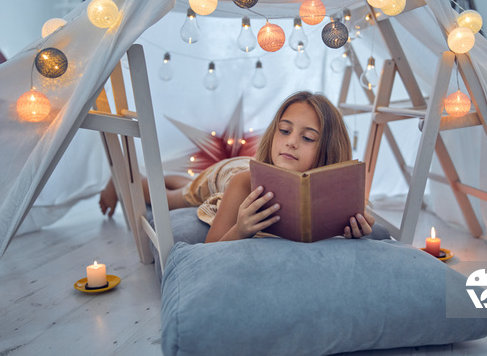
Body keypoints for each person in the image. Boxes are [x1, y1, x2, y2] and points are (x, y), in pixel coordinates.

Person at [99, 91, 374, 242]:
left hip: (242, 167)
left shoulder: (339, 189)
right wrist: (241, 228)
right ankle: (124, 177)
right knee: (175, 197)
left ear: (327, 148)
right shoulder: (244, 181)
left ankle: (170, 177)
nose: (291, 143)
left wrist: (360, 227)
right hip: (226, 173)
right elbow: (212, 247)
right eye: (284, 131)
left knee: (183, 182)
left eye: (307, 138)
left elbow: (363, 216)